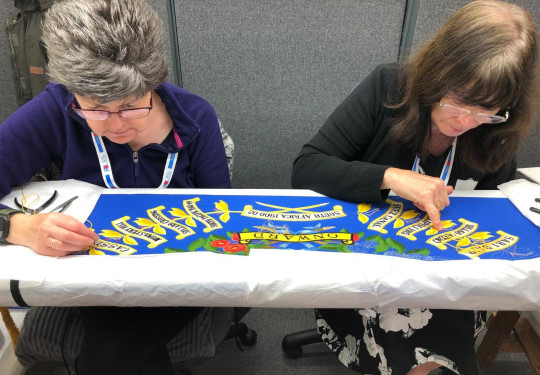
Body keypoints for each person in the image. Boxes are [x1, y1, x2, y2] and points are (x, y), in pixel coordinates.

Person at [291, 1, 538, 375]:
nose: (466, 121)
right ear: (439, 70)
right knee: (408, 350)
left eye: (486, 109)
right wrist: (390, 177)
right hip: (367, 259)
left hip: (446, 265)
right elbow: (307, 167)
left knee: (437, 341)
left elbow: (497, 205)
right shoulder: (389, 87)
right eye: (459, 99)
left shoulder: (496, 126)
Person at [0, 0, 231, 374]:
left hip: (180, 275)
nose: (116, 125)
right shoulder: (55, 109)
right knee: (117, 356)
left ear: (152, 83)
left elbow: (222, 213)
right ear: (71, 93)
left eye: (131, 105)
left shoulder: (196, 116)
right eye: (95, 109)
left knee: (109, 357)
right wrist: (17, 226)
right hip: (91, 277)